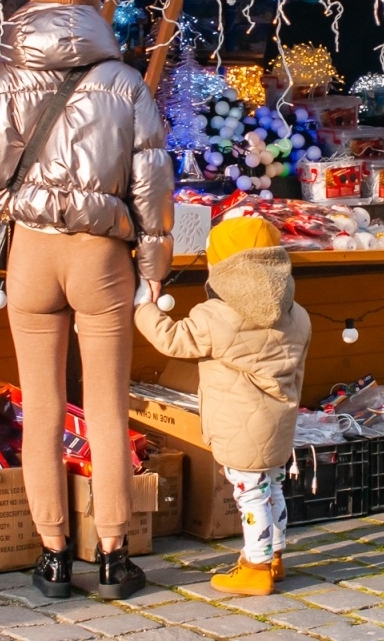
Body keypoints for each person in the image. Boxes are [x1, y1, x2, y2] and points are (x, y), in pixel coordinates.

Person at [0, 0, 174, 600]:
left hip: (31, 252)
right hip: (99, 255)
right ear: (92, 5)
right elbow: (151, 185)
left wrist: (14, 189)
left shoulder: (2, 75)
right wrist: (154, 270)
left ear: (37, 1)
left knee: (42, 408)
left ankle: (51, 556)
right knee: (106, 408)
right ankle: (113, 555)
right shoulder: (124, 82)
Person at [133, 216, 311, 597]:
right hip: (279, 424)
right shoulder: (298, 315)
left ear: (225, 270)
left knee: (250, 495)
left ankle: (256, 567)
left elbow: (172, 339)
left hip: (240, 428)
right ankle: (275, 557)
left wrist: (143, 307)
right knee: (272, 488)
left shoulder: (216, 316)